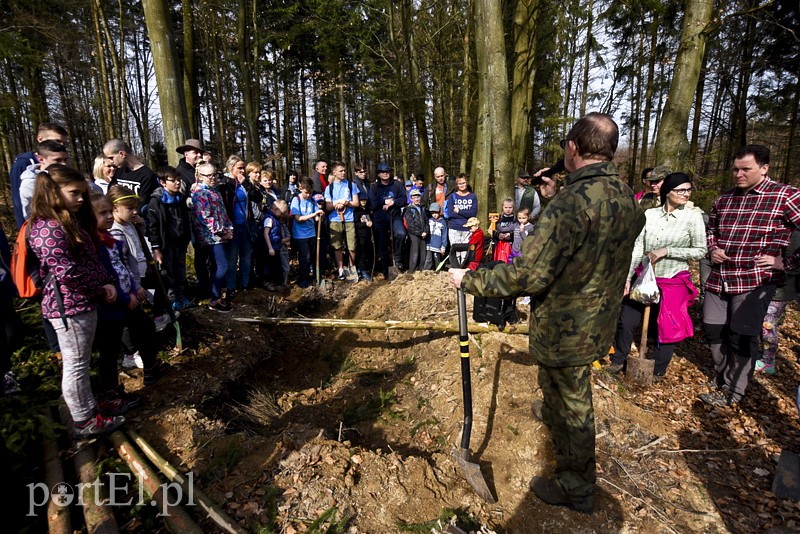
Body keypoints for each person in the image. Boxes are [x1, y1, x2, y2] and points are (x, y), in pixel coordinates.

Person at [449, 112, 644, 514]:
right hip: (599, 318)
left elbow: (529, 274)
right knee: (562, 391)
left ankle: (577, 488)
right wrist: (555, 192)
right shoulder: (626, 196)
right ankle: (556, 414)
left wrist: (470, 280)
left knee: (575, 404)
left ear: (572, 148)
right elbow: (591, 245)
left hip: (567, 324)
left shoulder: (571, 204)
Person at [27, 164, 125, 437]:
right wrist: (100, 288)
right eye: (74, 193)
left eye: (82, 193)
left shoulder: (65, 222)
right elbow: (67, 272)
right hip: (69, 306)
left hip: (82, 302)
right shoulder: (48, 229)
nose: (81, 199)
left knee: (82, 361)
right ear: (53, 192)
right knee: (76, 364)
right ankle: (83, 420)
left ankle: (90, 408)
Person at [700, 145, 800, 407]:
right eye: (735, 169)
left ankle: (734, 390)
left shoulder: (785, 196)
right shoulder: (725, 198)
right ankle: (723, 375)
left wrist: (787, 262)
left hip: (755, 280)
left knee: (741, 336)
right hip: (720, 277)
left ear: (764, 168)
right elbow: (711, 228)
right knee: (712, 329)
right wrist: (713, 248)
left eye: (746, 169)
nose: (738, 174)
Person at [606, 172, 706, 378]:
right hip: (645, 277)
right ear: (668, 191)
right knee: (628, 318)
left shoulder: (692, 217)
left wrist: (668, 251)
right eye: (681, 190)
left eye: (688, 190)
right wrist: (627, 278)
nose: (686, 194)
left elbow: (700, 250)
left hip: (673, 279)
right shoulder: (650, 215)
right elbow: (638, 247)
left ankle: (657, 370)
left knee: (668, 325)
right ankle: (618, 360)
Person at [91, 193, 168, 410]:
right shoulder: (92, 244)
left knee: (145, 329)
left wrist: (134, 289)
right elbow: (106, 276)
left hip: (128, 298)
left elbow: (125, 267)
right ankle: (111, 393)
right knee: (109, 349)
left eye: (109, 212)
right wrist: (126, 297)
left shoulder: (111, 240)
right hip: (110, 306)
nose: (109, 216)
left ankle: (150, 367)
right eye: (103, 213)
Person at [146, 167, 192, 311]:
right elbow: (152, 227)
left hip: (180, 243)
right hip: (166, 245)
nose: (177, 183)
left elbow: (185, 220)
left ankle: (181, 297)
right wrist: (156, 248)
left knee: (180, 271)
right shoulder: (156, 202)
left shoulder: (181, 198)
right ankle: (171, 301)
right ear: (163, 182)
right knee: (168, 273)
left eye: (179, 180)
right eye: (173, 180)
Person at [191, 162, 234, 312]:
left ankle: (217, 297)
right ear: (200, 176)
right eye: (209, 176)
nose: (213, 178)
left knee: (218, 266)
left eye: (214, 175)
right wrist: (222, 232)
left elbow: (223, 214)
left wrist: (229, 229)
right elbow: (206, 218)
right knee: (223, 266)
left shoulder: (214, 191)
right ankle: (214, 299)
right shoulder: (200, 193)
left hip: (221, 235)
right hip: (211, 237)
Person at [10, 122, 68, 228]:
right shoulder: (23, 163)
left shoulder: (61, 161)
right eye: (57, 141)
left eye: (64, 143)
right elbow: (19, 200)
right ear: (40, 139)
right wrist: (24, 228)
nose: (61, 145)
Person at [757, 230, 800, 375]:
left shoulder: (795, 233)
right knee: (760, 322)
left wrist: (782, 264)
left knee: (767, 324)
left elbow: (794, 264)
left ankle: (768, 361)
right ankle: (760, 353)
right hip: (763, 285)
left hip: (781, 289)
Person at [369, 162, 407, 278]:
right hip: (380, 218)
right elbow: (372, 204)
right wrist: (384, 202)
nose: (385, 174)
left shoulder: (397, 185)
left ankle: (398, 258)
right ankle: (386, 268)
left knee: (401, 234)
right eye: (382, 172)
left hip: (394, 215)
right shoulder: (374, 187)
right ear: (378, 174)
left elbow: (404, 200)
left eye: (387, 172)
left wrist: (393, 202)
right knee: (382, 243)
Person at [324, 161, 360, 280]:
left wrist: (346, 203)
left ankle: (351, 266)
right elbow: (328, 206)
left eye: (344, 170)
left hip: (349, 219)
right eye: (341, 171)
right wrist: (337, 203)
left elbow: (356, 203)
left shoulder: (351, 185)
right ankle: (340, 268)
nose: (343, 173)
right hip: (335, 220)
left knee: (352, 246)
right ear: (334, 172)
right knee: (337, 246)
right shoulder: (329, 188)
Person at [18, 140, 70, 220]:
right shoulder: (30, 183)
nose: (64, 164)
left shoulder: (67, 175)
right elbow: (33, 214)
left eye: (65, 160)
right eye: (57, 160)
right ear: (41, 159)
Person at [291, 177, 324, 288]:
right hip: (300, 235)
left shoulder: (312, 200)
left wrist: (319, 215)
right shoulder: (296, 200)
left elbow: (316, 219)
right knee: (305, 257)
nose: (308, 195)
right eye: (306, 192)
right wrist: (314, 214)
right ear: (301, 189)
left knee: (313, 257)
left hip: (312, 233)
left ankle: (314, 277)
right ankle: (303, 280)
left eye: (310, 192)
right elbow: (298, 218)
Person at [444, 173, 478, 263]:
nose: (462, 185)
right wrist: (466, 214)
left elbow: (473, 213)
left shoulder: (472, 197)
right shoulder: (452, 196)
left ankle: (463, 269)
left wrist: (459, 211)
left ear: (467, 183)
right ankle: (456, 268)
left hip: (467, 229)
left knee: (465, 253)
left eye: (463, 183)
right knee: (456, 253)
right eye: (460, 183)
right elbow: (451, 214)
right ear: (457, 185)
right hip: (454, 228)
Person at [262, 200, 288, 290]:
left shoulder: (275, 219)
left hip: (276, 246)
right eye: (281, 213)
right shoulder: (269, 219)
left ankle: (279, 283)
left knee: (277, 266)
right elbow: (266, 233)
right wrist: (270, 248)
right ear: (276, 209)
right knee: (270, 267)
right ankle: (269, 283)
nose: (281, 215)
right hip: (270, 248)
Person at [403, 188, 427, 273]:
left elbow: (426, 221)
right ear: (411, 198)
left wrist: (426, 231)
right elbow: (410, 225)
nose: (416, 199)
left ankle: (421, 270)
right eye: (414, 197)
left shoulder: (422, 208)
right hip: (414, 234)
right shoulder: (409, 209)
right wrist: (420, 233)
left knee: (423, 253)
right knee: (415, 253)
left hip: (423, 234)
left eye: (418, 197)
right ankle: (412, 271)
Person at [354, 196, 374, 281]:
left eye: (364, 200)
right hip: (360, 235)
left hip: (368, 235)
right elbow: (356, 224)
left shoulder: (367, 210)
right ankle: (361, 270)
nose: (363, 201)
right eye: (361, 200)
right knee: (361, 252)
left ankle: (366, 268)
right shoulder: (356, 211)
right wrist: (365, 224)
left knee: (367, 252)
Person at [424, 202, 447, 270]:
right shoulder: (429, 221)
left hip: (437, 246)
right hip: (429, 245)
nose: (434, 215)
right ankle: (426, 271)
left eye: (436, 213)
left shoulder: (443, 222)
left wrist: (443, 246)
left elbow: (444, 235)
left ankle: (438, 271)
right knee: (428, 260)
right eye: (432, 213)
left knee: (437, 260)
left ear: (439, 212)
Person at [493, 198, 515, 263]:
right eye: (506, 207)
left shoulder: (516, 219)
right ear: (502, 207)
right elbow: (492, 230)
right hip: (499, 245)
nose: (508, 209)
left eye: (510, 207)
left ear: (513, 208)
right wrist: (498, 234)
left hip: (511, 245)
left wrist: (511, 234)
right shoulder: (498, 218)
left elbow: (518, 230)